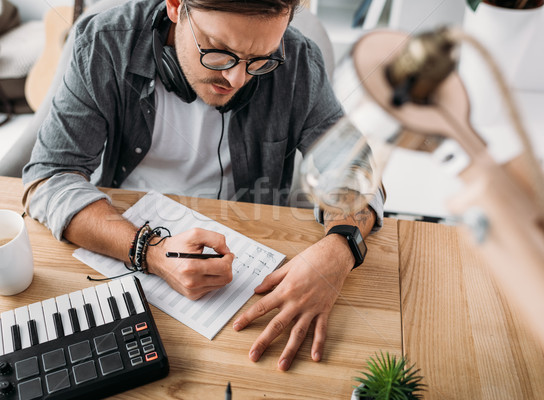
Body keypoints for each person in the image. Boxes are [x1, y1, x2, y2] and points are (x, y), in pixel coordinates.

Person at [22, 0, 384, 371]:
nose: (237, 80)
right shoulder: (104, 41)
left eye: (259, 60)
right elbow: (50, 177)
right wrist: (150, 251)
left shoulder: (298, 61)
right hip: (120, 246)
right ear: (177, 6)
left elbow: (355, 172)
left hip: (245, 271)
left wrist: (341, 247)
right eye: (219, 52)